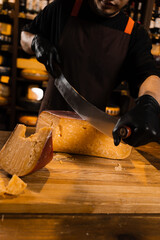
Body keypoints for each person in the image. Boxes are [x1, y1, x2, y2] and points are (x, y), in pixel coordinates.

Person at [20, 0, 160, 147]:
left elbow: (149, 75)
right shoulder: (62, 8)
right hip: (49, 124)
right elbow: (25, 36)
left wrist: (149, 103)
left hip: (91, 132)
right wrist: (35, 42)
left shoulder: (135, 34)